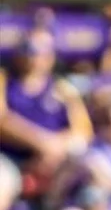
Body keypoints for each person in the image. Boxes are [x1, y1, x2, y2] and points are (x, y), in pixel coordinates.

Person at [0, 26, 93, 188]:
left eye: (43, 49)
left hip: (51, 162)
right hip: (8, 158)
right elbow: (2, 120)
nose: (35, 56)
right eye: (28, 48)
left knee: (87, 176)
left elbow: (83, 133)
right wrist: (42, 143)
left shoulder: (63, 88)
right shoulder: (3, 80)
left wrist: (54, 149)